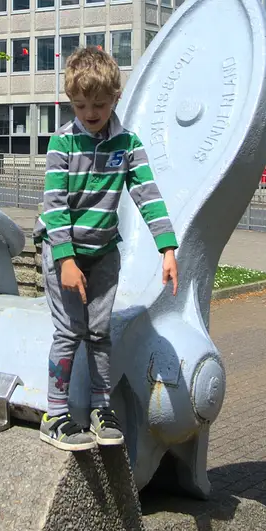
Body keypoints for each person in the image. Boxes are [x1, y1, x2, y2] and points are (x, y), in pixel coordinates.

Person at [36, 46, 179, 452]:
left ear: (115, 98)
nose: (90, 112)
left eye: (99, 104)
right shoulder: (63, 144)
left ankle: (101, 407)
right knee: (68, 332)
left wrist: (166, 249)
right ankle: (56, 413)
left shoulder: (128, 144)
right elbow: (55, 204)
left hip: (102, 253)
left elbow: (147, 194)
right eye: (80, 105)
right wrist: (64, 259)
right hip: (64, 252)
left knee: (99, 333)